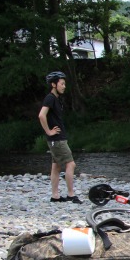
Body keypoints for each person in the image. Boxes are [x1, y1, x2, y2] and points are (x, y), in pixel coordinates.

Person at [38, 71, 81, 204]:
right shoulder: (50, 98)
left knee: (56, 167)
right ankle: (70, 194)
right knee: (71, 164)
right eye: (62, 84)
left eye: (64, 84)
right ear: (53, 84)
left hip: (57, 139)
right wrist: (49, 131)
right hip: (56, 139)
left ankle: (55, 196)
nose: (64, 86)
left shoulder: (55, 99)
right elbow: (41, 115)